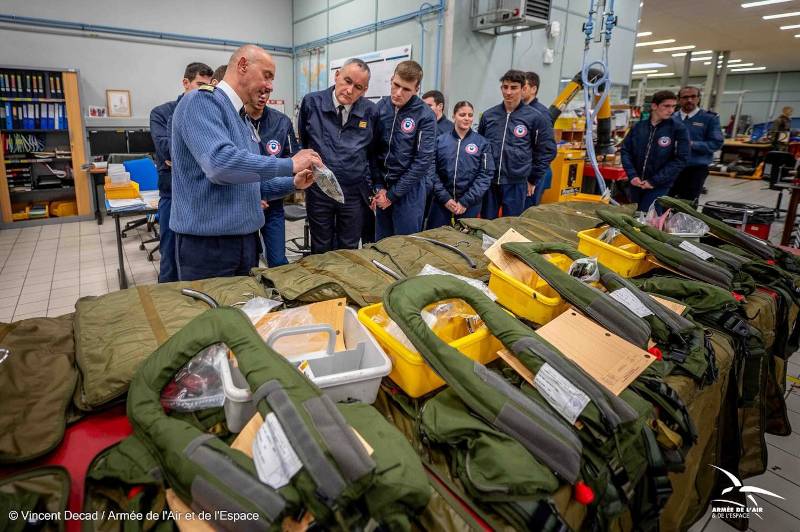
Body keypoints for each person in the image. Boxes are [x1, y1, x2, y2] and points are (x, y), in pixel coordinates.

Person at [170, 44, 320, 281]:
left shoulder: (242, 120)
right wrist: (289, 164)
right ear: (242, 66)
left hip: (246, 242)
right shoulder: (201, 102)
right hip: (210, 248)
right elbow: (220, 165)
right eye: (267, 76)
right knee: (216, 318)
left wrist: (294, 183)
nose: (270, 86)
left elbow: (251, 186)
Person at [298, 58, 378, 253]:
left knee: (349, 247)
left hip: (353, 194)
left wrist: (372, 188)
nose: (350, 90)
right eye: (347, 81)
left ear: (365, 90)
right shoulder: (312, 103)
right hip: (319, 190)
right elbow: (303, 142)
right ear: (337, 76)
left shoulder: (371, 111)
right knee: (321, 246)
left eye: (358, 87)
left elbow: (373, 152)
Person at [149, 62, 213, 283]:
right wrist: (199, 155)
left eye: (208, 87)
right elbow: (167, 150)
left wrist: (184, 157)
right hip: (172, 196)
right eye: (199, 84)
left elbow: (214, 156)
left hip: (201, 197)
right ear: (185, 83)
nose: (204, 91)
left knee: (198, 261)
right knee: (169, 257)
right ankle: (167, 307)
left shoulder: (208, 115)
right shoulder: (161, 113)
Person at [479, 69, 556, 219]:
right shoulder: (489, 116)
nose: (508, 92)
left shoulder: (535, 118)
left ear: (523, 89)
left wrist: (533, 179)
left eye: (513, 87)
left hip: (517, 183)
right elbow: (480, 147)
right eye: (505, 87)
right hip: (490, 182)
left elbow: (547, 150)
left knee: (512, 226)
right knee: (487, 224)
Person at [373, 60, 436, 239]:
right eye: (396, 85)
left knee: (405, 246)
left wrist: (392, 195)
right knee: (381, 244)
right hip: (382, 190)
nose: (398, 93)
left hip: (409, 191)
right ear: (392, 79)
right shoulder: (381, 107)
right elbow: (372, 150)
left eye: (406, 89)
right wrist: (378, 187)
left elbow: (423, 161)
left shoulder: (425, 115)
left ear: (416, 90)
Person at [244, 91, 297, 266]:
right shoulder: (235, 121)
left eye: (267, 92)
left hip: (273, 203)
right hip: (244, 204)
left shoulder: (281, 122)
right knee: (248, 263)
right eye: (258, 92)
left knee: (278, 261)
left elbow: (292, 162)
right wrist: (253, 195)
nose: (263, 96)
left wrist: (268, 193)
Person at [427, 101, 494, 230]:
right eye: (462, 114)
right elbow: (431, 171)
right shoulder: (440, 141)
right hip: (441, 203)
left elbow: (485, 175)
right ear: (454, 116)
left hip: (470, 205)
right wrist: (445, 198)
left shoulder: (482, 143)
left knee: (466, 242)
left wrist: (465, 201)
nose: (466, 118)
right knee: (438, 240)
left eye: (470, 115)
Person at [620, 90, 689, 212]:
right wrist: (632, 175)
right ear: (654, 106)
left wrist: (654, 181)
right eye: (666, 106)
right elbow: (625, 151)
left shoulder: (678, 129)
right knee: (634, 214)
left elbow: (681, 159)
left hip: (659, 185)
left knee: (649, 217)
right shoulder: (638, 127)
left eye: (674, 106)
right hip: (636, 183)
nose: (671, 110)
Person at [668, 86, 724, 204]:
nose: (689, 100)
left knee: (688, 204)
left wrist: (691, 144)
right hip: (671, 168)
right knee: (665, 201)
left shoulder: (709, 119)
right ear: (679, 100)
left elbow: (716, 143)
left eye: (693, 97)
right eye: (685, 97)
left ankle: (687, 223)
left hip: (695, 170)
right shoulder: (671, 118)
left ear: (698, 99)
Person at [522, 70, 555, 207]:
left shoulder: (540, 114)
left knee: (526, 216)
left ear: (533, 89)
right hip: (523, 173)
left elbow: (548, 150)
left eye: (523, 87)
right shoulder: (521, 111)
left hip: (534, 175)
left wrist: (533, 179)